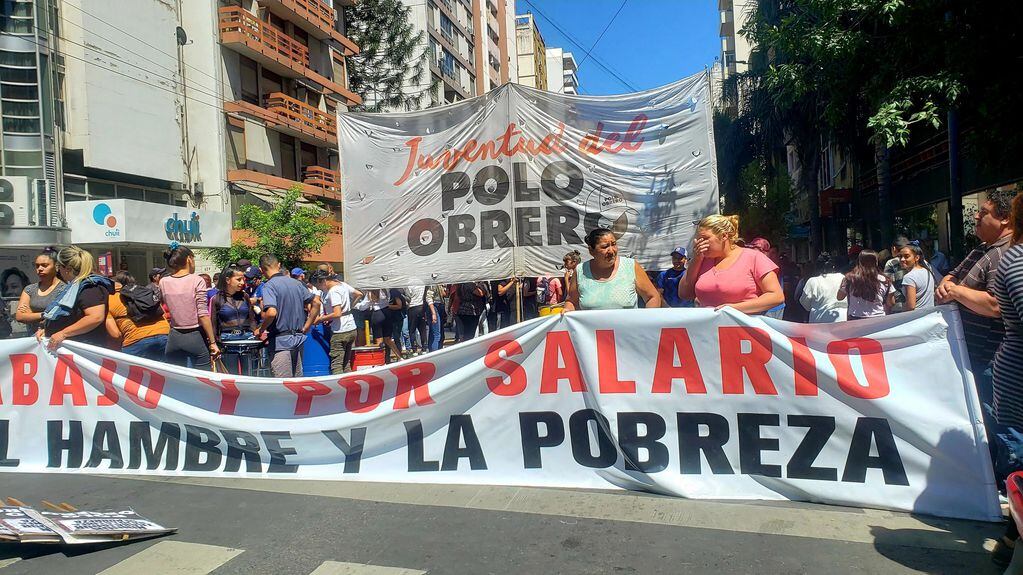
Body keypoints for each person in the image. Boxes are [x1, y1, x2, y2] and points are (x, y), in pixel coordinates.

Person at [936, 189, 1014, 407]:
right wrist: (947, 286)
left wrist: (954, 291)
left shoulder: (1006, 253)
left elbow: (995, 305)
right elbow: (951, 275)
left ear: (1005, 219)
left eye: (984, 212)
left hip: (990, 359)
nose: (976, 217)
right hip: (970, 354)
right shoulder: (981, 249)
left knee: (1000, 427)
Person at [678, 216, 782, 314]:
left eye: (705, 238)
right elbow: (684, 294)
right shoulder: (702, 260)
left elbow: (776, 296)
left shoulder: (754, 257)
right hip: (709, 329)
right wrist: (696, 259)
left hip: (742, 328)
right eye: (698, 239)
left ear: (724, 236)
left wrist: (733, 309)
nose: (700, 243)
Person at [37, 246, 113, 350]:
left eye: (59, 266)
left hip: (85, 350)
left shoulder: (91, 287)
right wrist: (48, 331)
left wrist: (63, 333)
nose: (58, 271)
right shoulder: (75, 286)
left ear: (67, 269)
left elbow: (95, 317)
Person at [567, 228, 662, 310]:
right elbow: (571, 302)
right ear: (591, 251)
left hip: (630, 330)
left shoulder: (631, 266)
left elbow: (652, 297)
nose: (611, 251)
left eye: (614, 244)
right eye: (605, 247)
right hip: (591, 331)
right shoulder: (580, 271)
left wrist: (646, 322)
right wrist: (567, 310)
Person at [253, 254, 317, 377]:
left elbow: (271, 312)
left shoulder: (269, 286)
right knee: (297, 383)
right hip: (298, 340)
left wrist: (260, 329)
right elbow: (317, 302)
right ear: (279, 265)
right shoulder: (297, 283)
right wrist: (308, 325)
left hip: (280, 343)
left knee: (283, 384)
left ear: (261, 270)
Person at [159, 244, 219, 370]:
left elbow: (161, 306)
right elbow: (203, 314)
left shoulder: (163, 281)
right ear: (188, 259)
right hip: (195, 336)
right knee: (202, 378)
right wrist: (213, 342)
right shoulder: (197, 280)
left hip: (174, 337)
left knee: (176, 378)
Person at [107, 271, 170, 361]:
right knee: (164, 373)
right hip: (164, 334)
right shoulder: (145, 292)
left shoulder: (108, 300)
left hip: (135, 341)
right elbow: (163, 313)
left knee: (132, 374)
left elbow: (115, 334)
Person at [210, 266, 258, 374]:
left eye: (243, 279)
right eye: (238, 279)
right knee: (231, 375)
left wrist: (255, 334)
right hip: (227, 340)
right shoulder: (217, 299)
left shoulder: (244, 296)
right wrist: (214, 343)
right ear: (227, 280)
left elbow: (251, 318)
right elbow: (213, 323)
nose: (242, 282)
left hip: (247, 338)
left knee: (250, 375)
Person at [312, 270, 362, 374]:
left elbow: (337, 313)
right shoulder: (342, 285)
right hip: (351, 328)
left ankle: (338, 386)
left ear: (323, 281)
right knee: (346, 362)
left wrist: (321, 319)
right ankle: (348, 385)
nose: (319, 289)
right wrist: (349, 308)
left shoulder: (333, 291)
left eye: (318, 286)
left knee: (337, 364)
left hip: (340, 330)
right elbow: (358, 294)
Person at [15, 248, 64, 335]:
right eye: (37, 266)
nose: (40, 269)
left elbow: (61, 317)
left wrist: (31, 314)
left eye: (44, 265)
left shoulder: (64, 289)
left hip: (53, 338)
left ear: (56, 266)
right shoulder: (29, 289)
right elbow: (20, 316)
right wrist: (45, 315)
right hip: (31, 339)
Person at [838, 250, 893, 320]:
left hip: (855, 319)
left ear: (859, 262)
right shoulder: (885, 280)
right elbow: (891, 303)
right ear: (876, 263)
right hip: (878, 319)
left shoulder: (849, 279)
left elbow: (839, 297)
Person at [798, 254, 848, 323]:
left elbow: (805, 304)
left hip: (820, 321)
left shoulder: (813, 281)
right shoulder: (842, 277)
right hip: (843, 319)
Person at [893, 243, 935, 312]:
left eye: (906, 256)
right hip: (929, 314)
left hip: (916, 318)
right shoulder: (928, 271)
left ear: (917, 258)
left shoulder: (909, 277)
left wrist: (900, 309)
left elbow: (911, 306)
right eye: (900, 256)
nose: (902, 259)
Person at [884, 236, 912, 311]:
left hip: (898, 306)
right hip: (917, 304)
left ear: (894, 248)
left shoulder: (891, 263)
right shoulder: (918, 261)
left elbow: (887, 285)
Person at [404, 284, 428, 355]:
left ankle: (414, 350)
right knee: (422, 329)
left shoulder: (408, 284)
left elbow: (408, 298)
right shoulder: (422, 283)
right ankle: (424, 348)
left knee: (412, 330)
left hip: (412, 308)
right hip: (421, 307)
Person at [425, 284, 446, 351]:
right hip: (434, 307)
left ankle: (432, 350)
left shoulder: (438, 283)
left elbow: (443, 294)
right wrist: (433, 313)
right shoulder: (433, 283)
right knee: (437, 334)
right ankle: (435, 352)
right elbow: (429, 297)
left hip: (437, 306)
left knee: (434, 333)